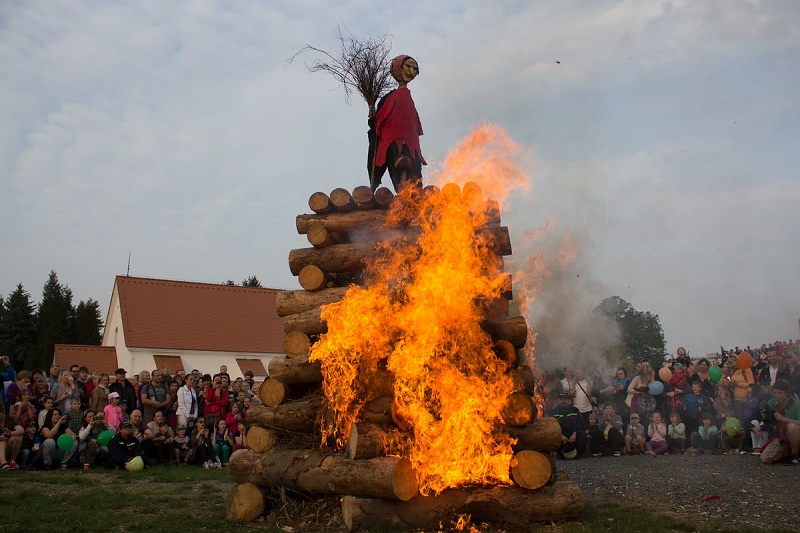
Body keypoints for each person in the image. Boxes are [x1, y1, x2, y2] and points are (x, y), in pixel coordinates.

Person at [367, 55, 425, 192]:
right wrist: (373, 119)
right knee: (400, 181)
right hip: (392, 143)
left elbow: (414, 124)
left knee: (414, 183)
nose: (411, 71)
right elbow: (379, 122)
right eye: (408, 66)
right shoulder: (389, 98)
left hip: (411, 144)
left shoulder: (407, 99)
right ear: (398, 67)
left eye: (414, 68)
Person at [765, 381, 800, 464]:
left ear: (786, 393)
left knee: (791, 426)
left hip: (795, 434)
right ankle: (785, 452)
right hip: (780, 435)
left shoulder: (796, 404)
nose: (777, 395)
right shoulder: (771, 403)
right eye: (775, 393)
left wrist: (784, 419)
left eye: (780, 393)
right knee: (766, 459)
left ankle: (794, 455)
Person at [548, 393, 585, 458]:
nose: (563, 401)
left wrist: (575, 434)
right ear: (558, 401)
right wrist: (561, 436)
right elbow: (551, 426)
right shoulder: (553, 412)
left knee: (583, 435)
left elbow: (579, 423)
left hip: (573, 434)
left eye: (565, 399)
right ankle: (560, 454)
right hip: (560, 434)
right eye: (561, 399)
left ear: (568, 400)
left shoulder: (575, 410)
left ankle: (579, 454)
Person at [0, 401, 24, 469]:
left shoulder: (10, 420)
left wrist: (10, 433)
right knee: (2, 442)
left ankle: (12, 461)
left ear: (3, 413)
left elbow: (21, 430)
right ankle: (3, 463)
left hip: (7, 448)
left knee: (18, 437)